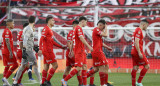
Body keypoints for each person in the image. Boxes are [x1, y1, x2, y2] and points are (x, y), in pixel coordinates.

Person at [61, 16, 93, 86]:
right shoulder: (78, 28)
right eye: (86, 22)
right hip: (79, 51)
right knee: (78, 68)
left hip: (81, 50)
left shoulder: (76, 29)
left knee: (84, 67)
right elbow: (81, 38)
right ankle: (64, 80)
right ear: (83, 21)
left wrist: (71, 50)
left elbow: (72, 41)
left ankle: (84, 84)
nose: (86, 24)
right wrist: (88, 46)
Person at [12, 16, 41, 86]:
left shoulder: (25, 29)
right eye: (34, 27)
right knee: (35, 65)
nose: (35, 28)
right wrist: (24, 51)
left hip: (26, 50)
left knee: (22, 66)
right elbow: (24, 41)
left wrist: (34, 47)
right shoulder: (29, 29)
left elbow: (27, 41)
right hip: (28, 51)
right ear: (34, 22)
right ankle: (41, 82)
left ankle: (15, 82)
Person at [38, 16, 67, 86]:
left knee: (46, 66)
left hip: (47, 50)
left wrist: (61, 47)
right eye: (52, 20)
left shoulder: (50, 30)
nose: (54, 21)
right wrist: (40, 49)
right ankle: (47, 81)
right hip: (48, 51)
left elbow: (52, 42)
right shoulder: (46, 29)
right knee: (55, 65)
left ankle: (43, 83)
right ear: (48, 21)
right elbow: (41, 39)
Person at [86, 19, 113, 86]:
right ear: (100, 25)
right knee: (101, 67)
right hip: (97, 52)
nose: (103, 28)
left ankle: (105, 83)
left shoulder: (98, 32)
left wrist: (107, 47)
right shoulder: (96, 29)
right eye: (103, 27)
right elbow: (106, 35)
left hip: (98, 51)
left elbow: (101, 43)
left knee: (99, 68)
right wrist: (106, 27)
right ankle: (103, 84)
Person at [62, 20, 83, 86]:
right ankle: (80, 84)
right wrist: (72, 51)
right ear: (75, 25)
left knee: (68, 68)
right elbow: (69, 43)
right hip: (73, 53)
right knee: (79, 68)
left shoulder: (73, 32)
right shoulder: (72, 32)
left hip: (71, 52)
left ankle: (64, 83)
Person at [131, 19, 150, 86]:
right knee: (147, 66)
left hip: (133, 51)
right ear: (144, 24)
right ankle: (139, 82)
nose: (146, 27)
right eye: (147, 26)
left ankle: (133, 84)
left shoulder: (136, 30)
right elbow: (136, 41)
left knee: (135, 67)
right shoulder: (139, 30)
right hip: (137, 51)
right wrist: (139, 52)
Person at [2, 19, 18, 86]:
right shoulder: (7, 31)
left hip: (5, 51)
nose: (14, 25)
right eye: (13, 23)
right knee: (16, 65)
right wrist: (11, 52)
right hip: (8, 52)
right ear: (9, 24)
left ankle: (5, 83)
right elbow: (7, 41)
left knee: (7, 66)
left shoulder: (6, 31)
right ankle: (5, 78)